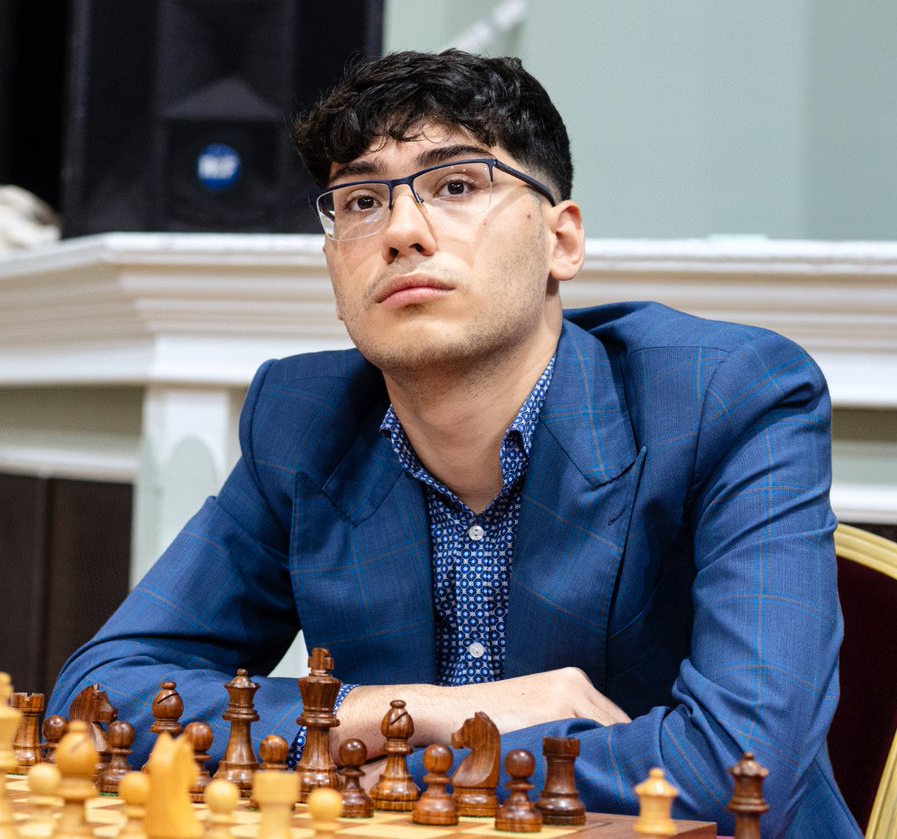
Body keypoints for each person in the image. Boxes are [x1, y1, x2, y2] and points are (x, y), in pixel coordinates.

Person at [48, 50, 857, 835]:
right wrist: (421, 715)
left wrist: (402, 766)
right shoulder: (301, 422)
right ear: (335, 267)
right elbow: (95, 698)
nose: (401, 229)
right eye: (361, 202)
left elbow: (738, 766)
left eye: (457, 184)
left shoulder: (728, 396)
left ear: (561, 240)